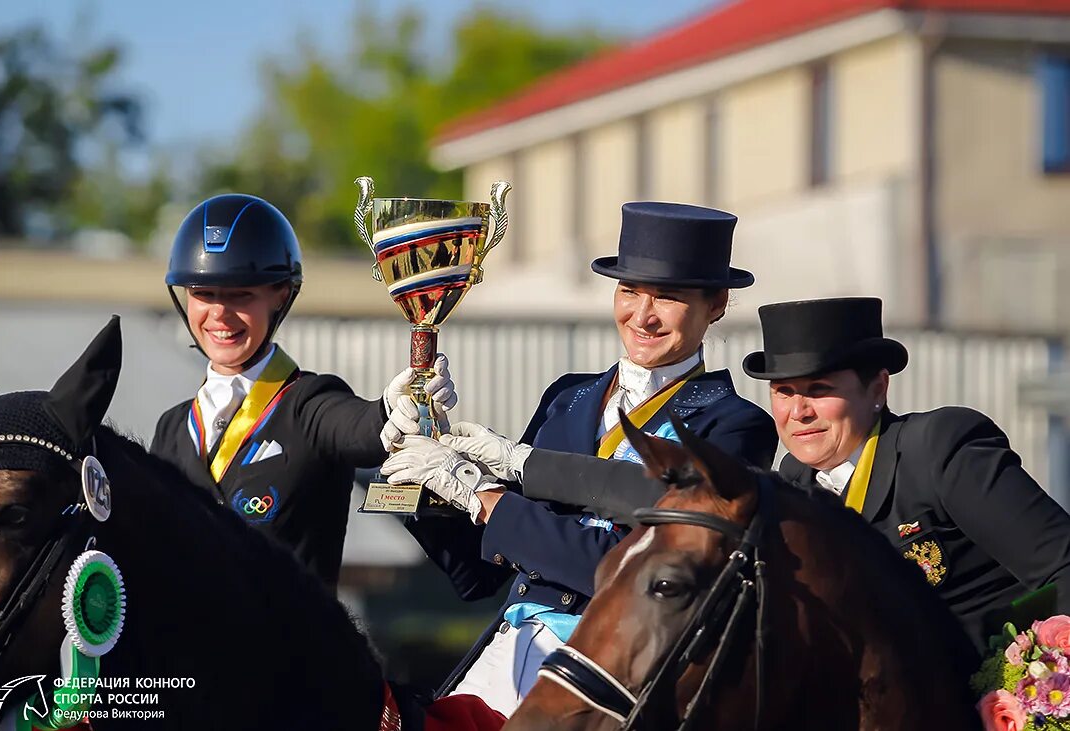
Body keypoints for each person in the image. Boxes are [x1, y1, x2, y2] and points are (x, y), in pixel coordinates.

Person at [381, 201, 777, 716]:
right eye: (629, 291)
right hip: (506, 650)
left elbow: (631, 567)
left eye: (669, 298)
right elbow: (481, 572)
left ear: (717, 305)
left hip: (611, 667)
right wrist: (422, 475)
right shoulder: (567, 397)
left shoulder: (732, 426)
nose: (643, 315)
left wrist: (484, 498)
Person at [150, 193, 456, 590]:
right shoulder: (171, 429)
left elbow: (359, 429)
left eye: (241, 293)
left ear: (280, 293)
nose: (219, 314)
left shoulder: (309, 403)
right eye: (203, 294)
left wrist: (393, 409)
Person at [742, 297, 1070, 646]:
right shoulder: (793, 482)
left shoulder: (939, 449)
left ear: (878, 389)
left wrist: (1023, 675)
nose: (798, 412)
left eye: (819, 390)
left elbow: (1062, 568)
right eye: (784, 392)